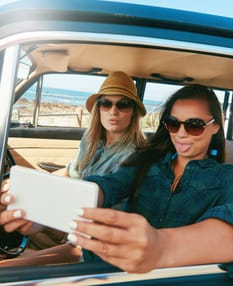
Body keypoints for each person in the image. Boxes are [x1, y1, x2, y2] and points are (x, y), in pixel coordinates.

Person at [1, 84, 233, 273]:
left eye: (194, 125)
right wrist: (50, 208)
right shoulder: (146, 163)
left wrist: (162, 246)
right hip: (100, 268)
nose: (181, 133)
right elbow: (107, 187)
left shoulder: (226, 177)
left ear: (215, 127)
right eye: (173, 123)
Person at [0, 70, 146, 254]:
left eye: (123, 104)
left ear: (133, 112)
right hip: (67, 221)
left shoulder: (134, 156)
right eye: (106, 103)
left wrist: (45, 211)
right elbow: (70, 172)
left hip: (88, 236)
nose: (113, 111)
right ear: (98, 108)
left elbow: (102, 219)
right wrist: (29, 187)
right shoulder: (92, 140)